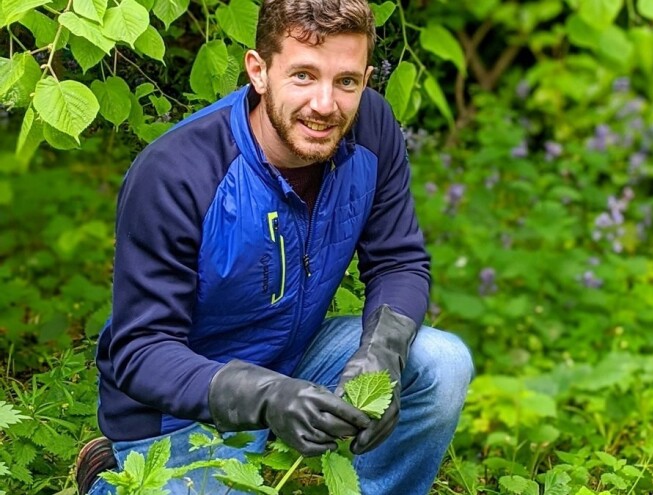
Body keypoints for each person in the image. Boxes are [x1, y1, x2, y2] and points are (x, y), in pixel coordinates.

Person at [74, 0, 474, 493]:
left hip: (297, 363)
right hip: (177, 410)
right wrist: (268, 398)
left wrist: (381, 356)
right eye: (303, 75)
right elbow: (140, 350)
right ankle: (112, 472)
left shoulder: (371, 127)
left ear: (366, 79)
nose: (326, 104)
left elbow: (398, 259)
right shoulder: (177, 172)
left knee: (443, 363)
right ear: (258, 71)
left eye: (346, 81)